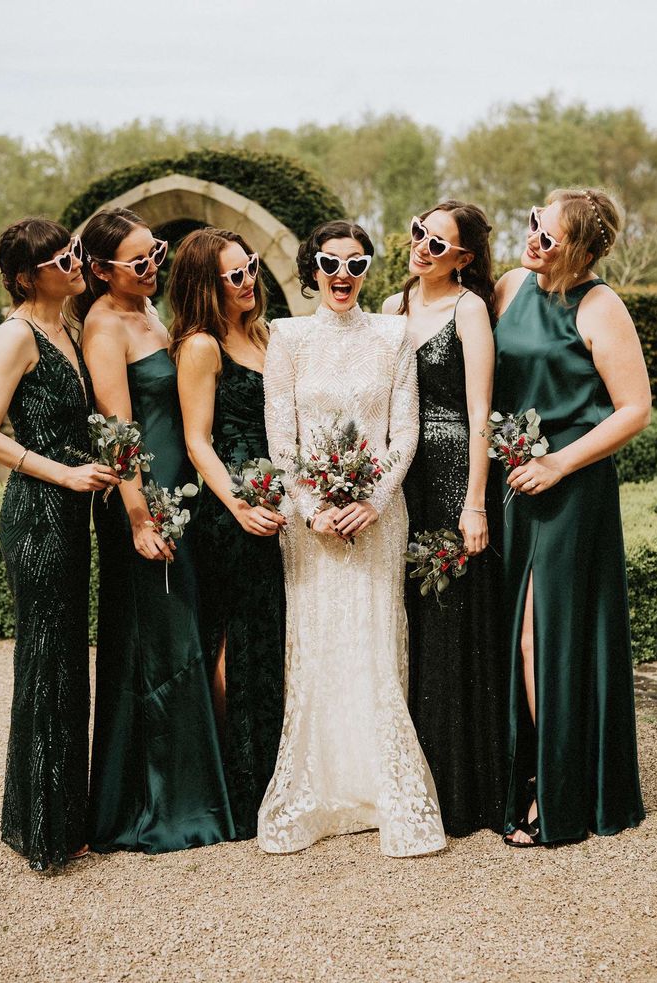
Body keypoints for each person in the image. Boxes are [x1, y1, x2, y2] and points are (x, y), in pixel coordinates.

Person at [257, 220, 446, 857]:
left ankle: (380, 789)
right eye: (332, 264)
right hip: (308, 525)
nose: (343, 277)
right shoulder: (285, 338)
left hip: (377, 517)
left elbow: (406, 436)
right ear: (312, 267)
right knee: (317, 642)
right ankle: (318, 790)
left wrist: (371, 500)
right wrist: (310, 506)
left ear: (368, 270)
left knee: (371, 638)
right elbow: (280, 440)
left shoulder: (394, 336)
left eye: (357, 265)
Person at [493, 188, 650, 846]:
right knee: (517, 633)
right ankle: (534, 770)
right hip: (511, 485)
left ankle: (549, 788)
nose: (532, 238)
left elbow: (632, 409)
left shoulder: (600, 305)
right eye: (532, 222)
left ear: (582, 250)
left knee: (543, 636)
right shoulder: (506, 287)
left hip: (570, 488)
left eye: (549, 236)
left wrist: (559, 463)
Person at [77, 207, 233, 854]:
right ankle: (159, 808)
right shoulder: (104, 324)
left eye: (156, 253)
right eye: (137, 260)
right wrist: (139, 517)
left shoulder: (150, 312)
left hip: (178, 496)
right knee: (160, 647)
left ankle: (187, 794)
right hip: (145, 505)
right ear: (98, 269)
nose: (152, 267)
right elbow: (118, 434)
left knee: (183, 638)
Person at [0, 217, 119, 871]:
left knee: (63, 660)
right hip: (37, 514)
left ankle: (59, 817)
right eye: (65, 259)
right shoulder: (15, 333)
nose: (78, 263)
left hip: (72, 512)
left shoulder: (70, 327)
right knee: (45, 660)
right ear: (30, 275)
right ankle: (40, 830)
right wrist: (62, 472)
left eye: (77, 252)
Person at [383, 201, 507, 836]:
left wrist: (476, 501)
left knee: (452, 618)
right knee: (407, 616)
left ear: (464, 257)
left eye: (438, 243)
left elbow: (481, 409)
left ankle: (464, 786)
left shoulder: (469, 308)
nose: (422, 248)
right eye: (418, 235)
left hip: (456, 469)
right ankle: (410, 776)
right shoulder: (391, 305)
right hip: (402, 478)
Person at [169, 228, 286, 840]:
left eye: (251, 268)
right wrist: (240, 505)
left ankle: (272, 777)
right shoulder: (201, 346)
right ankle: (238, 789)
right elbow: (197, 441)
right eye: (233, 275)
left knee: (268, 639)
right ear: (203, 287)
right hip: (231, 508)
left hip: (274, 498)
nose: (248, 281)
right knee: (236, 643)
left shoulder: (263, 332)